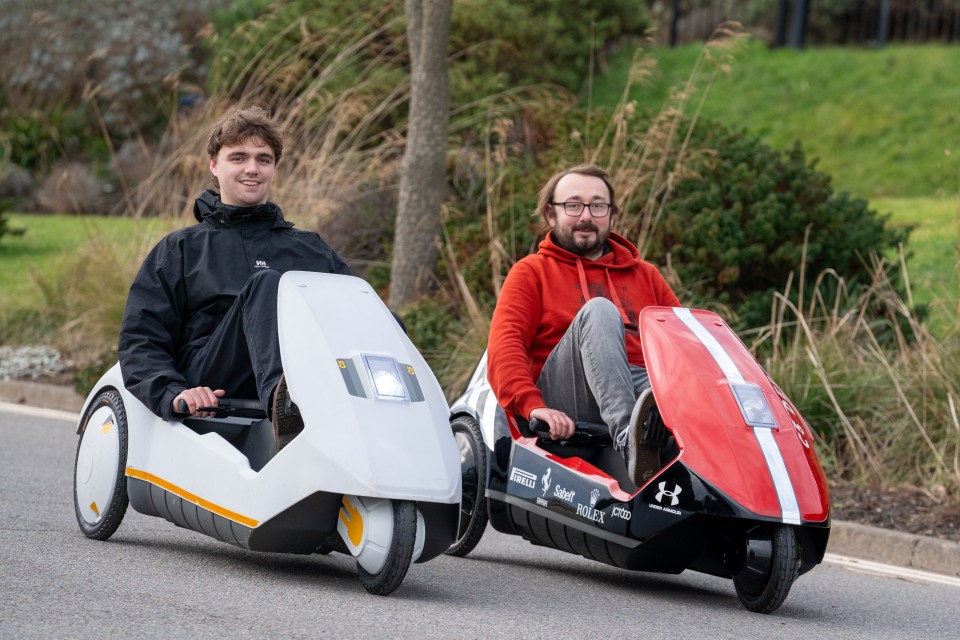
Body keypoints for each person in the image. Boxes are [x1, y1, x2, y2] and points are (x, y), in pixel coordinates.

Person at [118, 105, 351, 447]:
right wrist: (174, 391)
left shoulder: (312, 250)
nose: (252, 169)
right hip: (213, 378)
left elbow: (358, 317)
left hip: (307, 375)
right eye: (238, 157)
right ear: (214, 165)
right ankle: (285, 407)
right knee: (268, 283)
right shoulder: (181, 249)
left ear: (274, 168)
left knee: (380, 315)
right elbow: (141, 337)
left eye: (263, 159)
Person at [486, 164, 681, 486]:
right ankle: (630, 440)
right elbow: (505, 343)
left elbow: (682, 341)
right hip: (569, 393)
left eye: (598, 205)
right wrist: (531, 405)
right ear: (551, 215)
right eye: (573, 205)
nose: (586, 216)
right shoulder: (531, 271)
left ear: (612, 215)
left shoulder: (646, 275)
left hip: (642, 389)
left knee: (692, 359)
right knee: (600, 311)